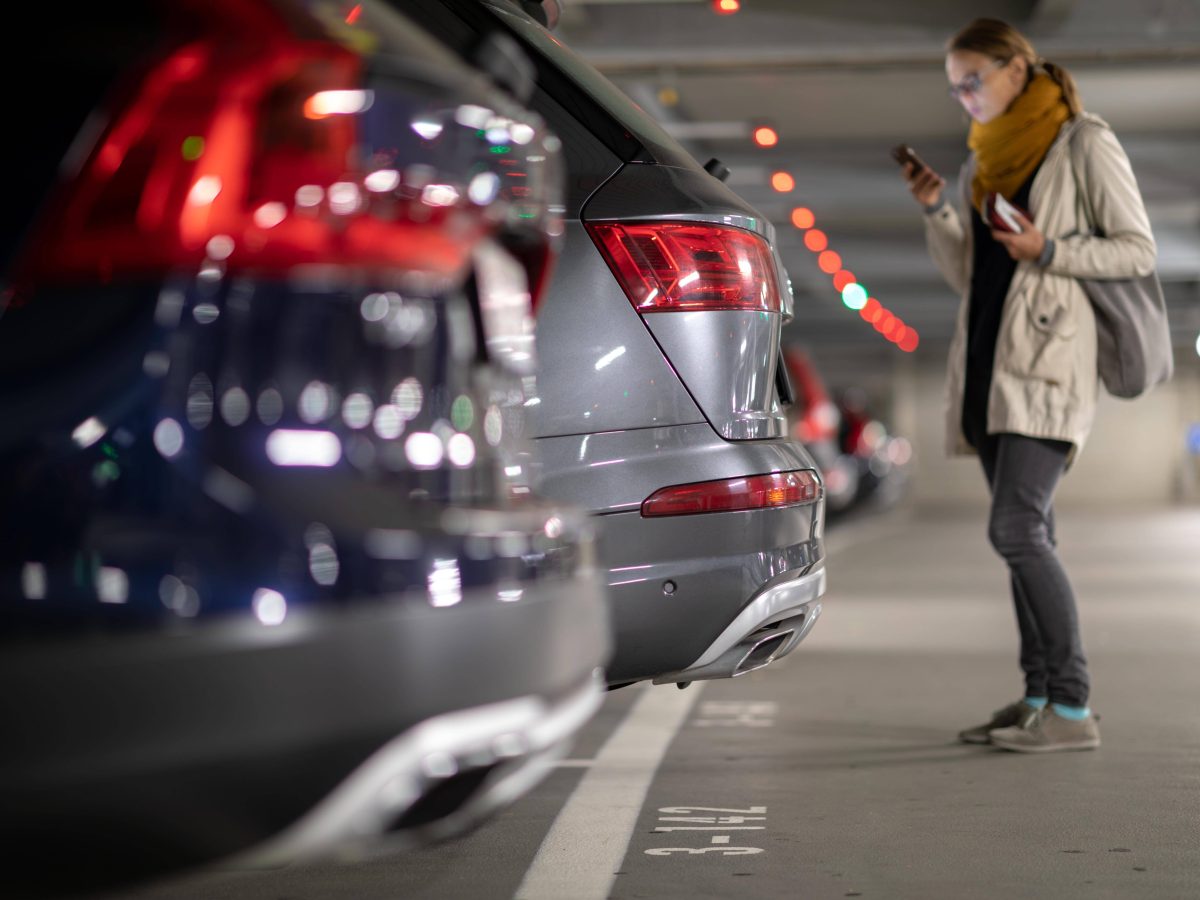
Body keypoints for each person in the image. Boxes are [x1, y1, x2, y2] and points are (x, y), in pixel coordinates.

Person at [900, 18, 1157, 752]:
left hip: (1048, 363)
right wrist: (936, 210)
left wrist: (1050, 247)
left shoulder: (1083, 143)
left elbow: (1137, 251)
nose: (964, 99)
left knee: (1015, 528)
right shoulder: (980, 166)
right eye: (954, 89)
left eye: (973, 81)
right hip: (987, 367)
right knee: (1028, 533)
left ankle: (1073, 709)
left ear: (1018, 68)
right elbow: (970, 276)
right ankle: (1039, 694)